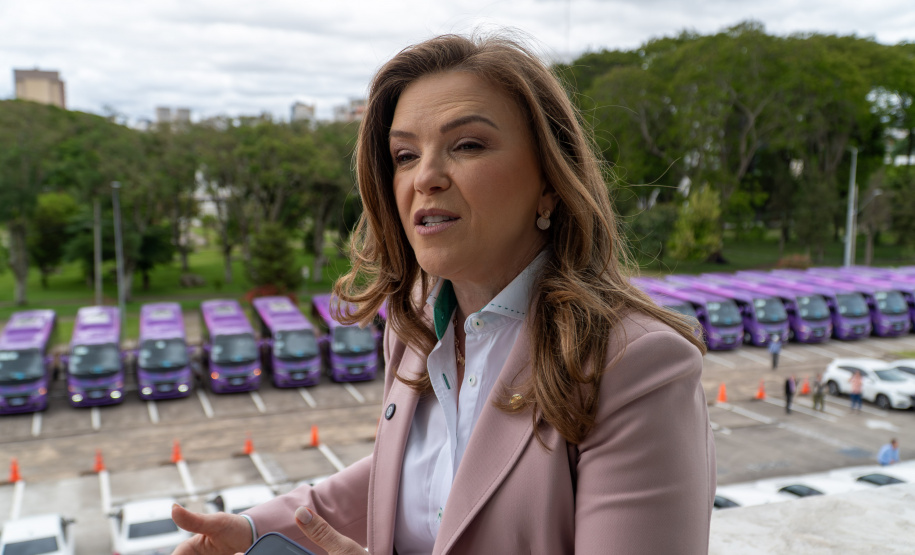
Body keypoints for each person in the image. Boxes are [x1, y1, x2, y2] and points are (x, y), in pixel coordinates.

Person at [171, 34, 715, 555]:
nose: (425, 176)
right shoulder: (413, 330)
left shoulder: (638, 365)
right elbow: (419, 473)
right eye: (405, 155)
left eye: (468, 145)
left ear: (550, 181)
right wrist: (250, 529)